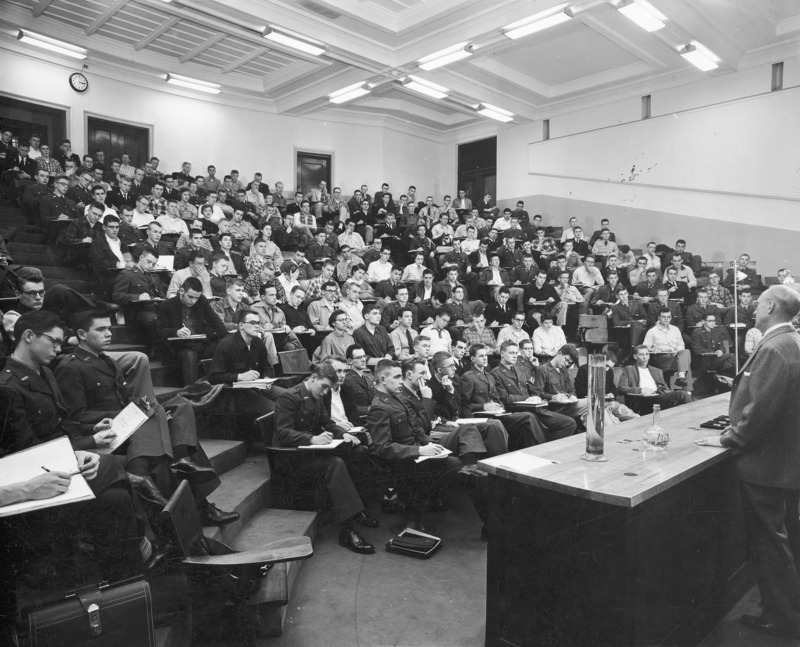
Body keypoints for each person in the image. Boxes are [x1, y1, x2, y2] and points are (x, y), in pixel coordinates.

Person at [52, 309, 235, 525]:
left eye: (109, 328)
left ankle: (183, 459)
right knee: (156, 416)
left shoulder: (107, 362)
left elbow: (126, 396)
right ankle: (198, 502)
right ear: (82, 334)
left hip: (128, 423)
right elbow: (76, 416)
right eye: (101, 329)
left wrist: (138, 407)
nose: (108, 333)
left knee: (180, 405)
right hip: (107, 430)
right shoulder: (70, 367)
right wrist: (127, 413)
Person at [697, 286, 800, 640]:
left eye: (758, 304)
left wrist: (729, 438)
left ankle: (780, 618)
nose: (754, 310)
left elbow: (761, 411)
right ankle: (788, 608)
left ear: (771, 306)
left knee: (770, 545)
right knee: (784, 541)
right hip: (785, 462)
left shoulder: (773, 347)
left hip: (766, 466)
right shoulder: (792, 341)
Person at [274, 363, 377, 554]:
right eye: (323, 386)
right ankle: (348, 529)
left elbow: (327, 422)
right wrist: (311, 438)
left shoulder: (316, 396)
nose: (325, 392)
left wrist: (341, 434)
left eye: (328, 388)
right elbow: (283, 433)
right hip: (294, 458)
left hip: (313, 451)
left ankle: (359, 509)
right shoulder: (289, 397)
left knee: (359, 451)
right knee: (335, 464)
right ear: (312, 378)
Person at [366, 359, 465, 533]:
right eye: (396, 377)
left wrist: (429, 443)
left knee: (453, 460)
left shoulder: (396, 398)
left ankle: (416, 514)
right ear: (382, 379)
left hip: (415, 452)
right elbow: (382, 447)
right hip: (401, 461)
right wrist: (420, 450)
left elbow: (416, 428)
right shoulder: (379, 407)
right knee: (453, 465)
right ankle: (412, 518)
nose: (400, 381)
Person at [460, 343, 548, 450]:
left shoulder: (489, 376)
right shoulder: (468, 377)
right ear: (473, 358)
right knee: (528, 416)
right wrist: (483, 406)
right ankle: (543, 447)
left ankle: (532, 451)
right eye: (481, 356)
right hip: (482, 417)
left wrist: (501, 407)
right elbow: (464, 405)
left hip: (498, 414)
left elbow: (497, 398)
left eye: (486, 355)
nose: (485, 358)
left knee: (527, 419)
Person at [491, 341, 577, 443]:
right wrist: (527, 399)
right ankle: (545, 448)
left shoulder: (520, 369)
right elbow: (505, 398)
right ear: (502, 354)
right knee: (532, 420)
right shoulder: (496, 373)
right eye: (511, 353)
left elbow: (533, 389)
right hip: (518, 410)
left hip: (535, 408)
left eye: (516, 353)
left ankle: (548, 446)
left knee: (569, 423)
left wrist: (536, 397)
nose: (514, 356)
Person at [154, 277, 228, 385]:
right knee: (189, 355)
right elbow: (159, 331)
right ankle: (192, 391)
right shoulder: (167, 305)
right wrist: (176, 332)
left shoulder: (201, 300)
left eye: (196, 298)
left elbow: (214, 320)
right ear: (181, 291)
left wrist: (226, 337)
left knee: (223, 346)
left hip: (201, 342)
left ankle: (221, 386)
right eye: (190, 297)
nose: (193, 301)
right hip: (179, 346)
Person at [617, 345, 694, 410]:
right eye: (641, 355)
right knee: (682, 394)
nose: (645, 357)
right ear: (635, 356)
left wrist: (669, 394)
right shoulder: (629, 369)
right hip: (641, 400)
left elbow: (665, 388)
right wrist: (640, 390)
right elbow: (621, 388)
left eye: (647, 354)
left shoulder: (656, 371)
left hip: (657, 397)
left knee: (681, 405)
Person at [532, 344, 589, 422]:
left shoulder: (564, 370)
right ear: (559, 353)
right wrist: (552, 397)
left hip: (567, 407)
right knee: (591, 402)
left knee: (593, 407)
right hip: (552, 410)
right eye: (566, 360)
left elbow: (571, 390)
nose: (566, 364)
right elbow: (536, 393)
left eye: (569, 363)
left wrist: (572, 396)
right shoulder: (543, 370)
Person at [643, 308, 691, 387]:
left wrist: (676, 350)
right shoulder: (652, 331)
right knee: (686, 364)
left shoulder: (675, 329)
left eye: (668, 317)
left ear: (671, 318)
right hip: (661, 356)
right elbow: (645, 347)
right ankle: (686, 387)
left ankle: (681, 378)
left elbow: (681, 345)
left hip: (675, 355)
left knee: (686, 352)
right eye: (663, 317)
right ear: (659, 317)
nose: (666, 319)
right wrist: (652, 349)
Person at [691, 312, 737, 377]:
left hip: (717, 359)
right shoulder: (697, 332)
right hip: (705, 359)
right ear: (703, 321)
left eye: (714, 320)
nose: (713, 323)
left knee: (731, 361)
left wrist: (721, 350)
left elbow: (721, 346)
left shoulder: (717, 331)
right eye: (710, 321)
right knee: (732, 357)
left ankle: (727, 376)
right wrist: (714, 352)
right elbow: (697, 349)